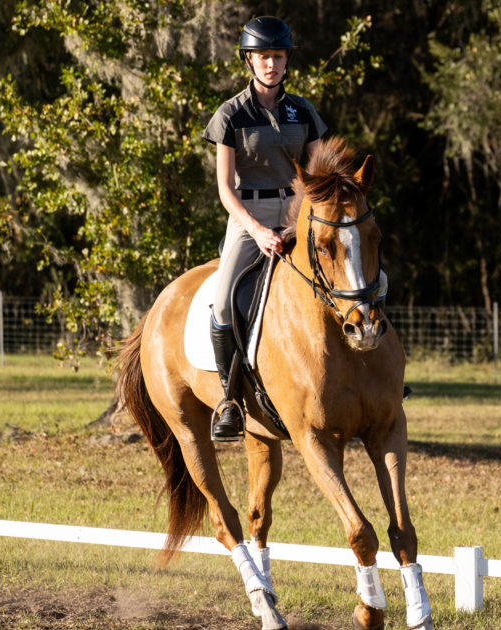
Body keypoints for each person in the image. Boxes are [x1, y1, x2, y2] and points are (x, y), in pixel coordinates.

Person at [202, 16, 327, 441]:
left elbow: (319, 174)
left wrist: (302, 220)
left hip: (300, 212)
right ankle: (229, 401)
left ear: (286, 60)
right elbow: (224, 189)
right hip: (249, 215)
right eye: (262, 57)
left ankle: (375, 376)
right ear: (249, 61)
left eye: (277, 56)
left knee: (364, 277)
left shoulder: (304, 110)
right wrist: (257, 231)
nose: (271, 64)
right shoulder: (230, 114)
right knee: (222, 304)